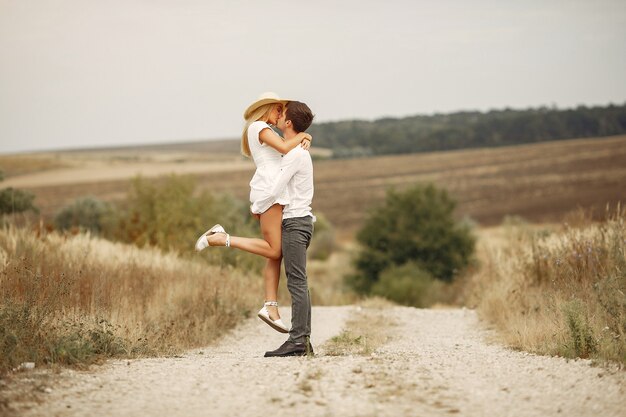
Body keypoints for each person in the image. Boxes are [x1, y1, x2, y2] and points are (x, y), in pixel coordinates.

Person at [195, 92, 311, 335]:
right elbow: (283, 146)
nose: (280, 115)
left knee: (275, 253)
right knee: (274, 249)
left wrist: (303, 136)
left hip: (273, 190)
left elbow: (286, 148)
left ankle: (271, 306)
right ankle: (221, 238)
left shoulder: (265, 130)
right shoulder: (258, 126)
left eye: (282, 111)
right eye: (278, 110)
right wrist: (303, 134)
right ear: (266, 109)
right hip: (270, 189)